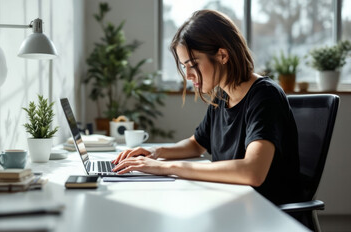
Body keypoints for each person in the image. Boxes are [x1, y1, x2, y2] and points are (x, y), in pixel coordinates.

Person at [111, 9, 302, 205]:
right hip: (231, 201)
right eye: (184, 66)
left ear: (222, 55)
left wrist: (166, 167)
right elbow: (196, 144)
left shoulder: (264, 95)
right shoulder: (222, 95)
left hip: (264, 212)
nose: (188, 75)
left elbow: (252, 172)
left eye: (193, 64)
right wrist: (156, 153)